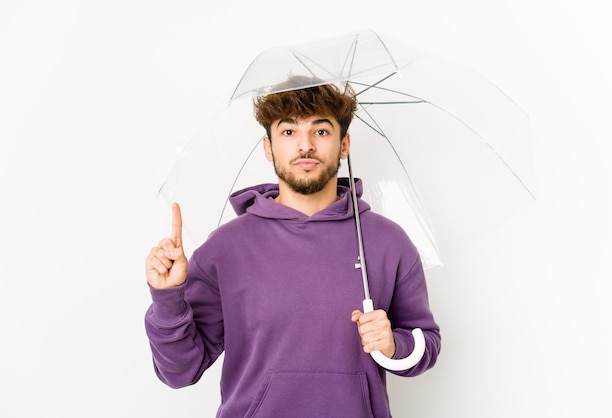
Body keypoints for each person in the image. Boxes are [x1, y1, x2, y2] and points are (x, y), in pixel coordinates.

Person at [144, 76, 441, 417]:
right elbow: (179, 372)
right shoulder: (225, 248)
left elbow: (427, 343)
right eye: (288, 132)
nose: (305, 146)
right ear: (268, 147)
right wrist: (167, 298)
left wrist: (393, 344)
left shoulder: (388, 242)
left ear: (344, 144)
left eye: (321, 131)